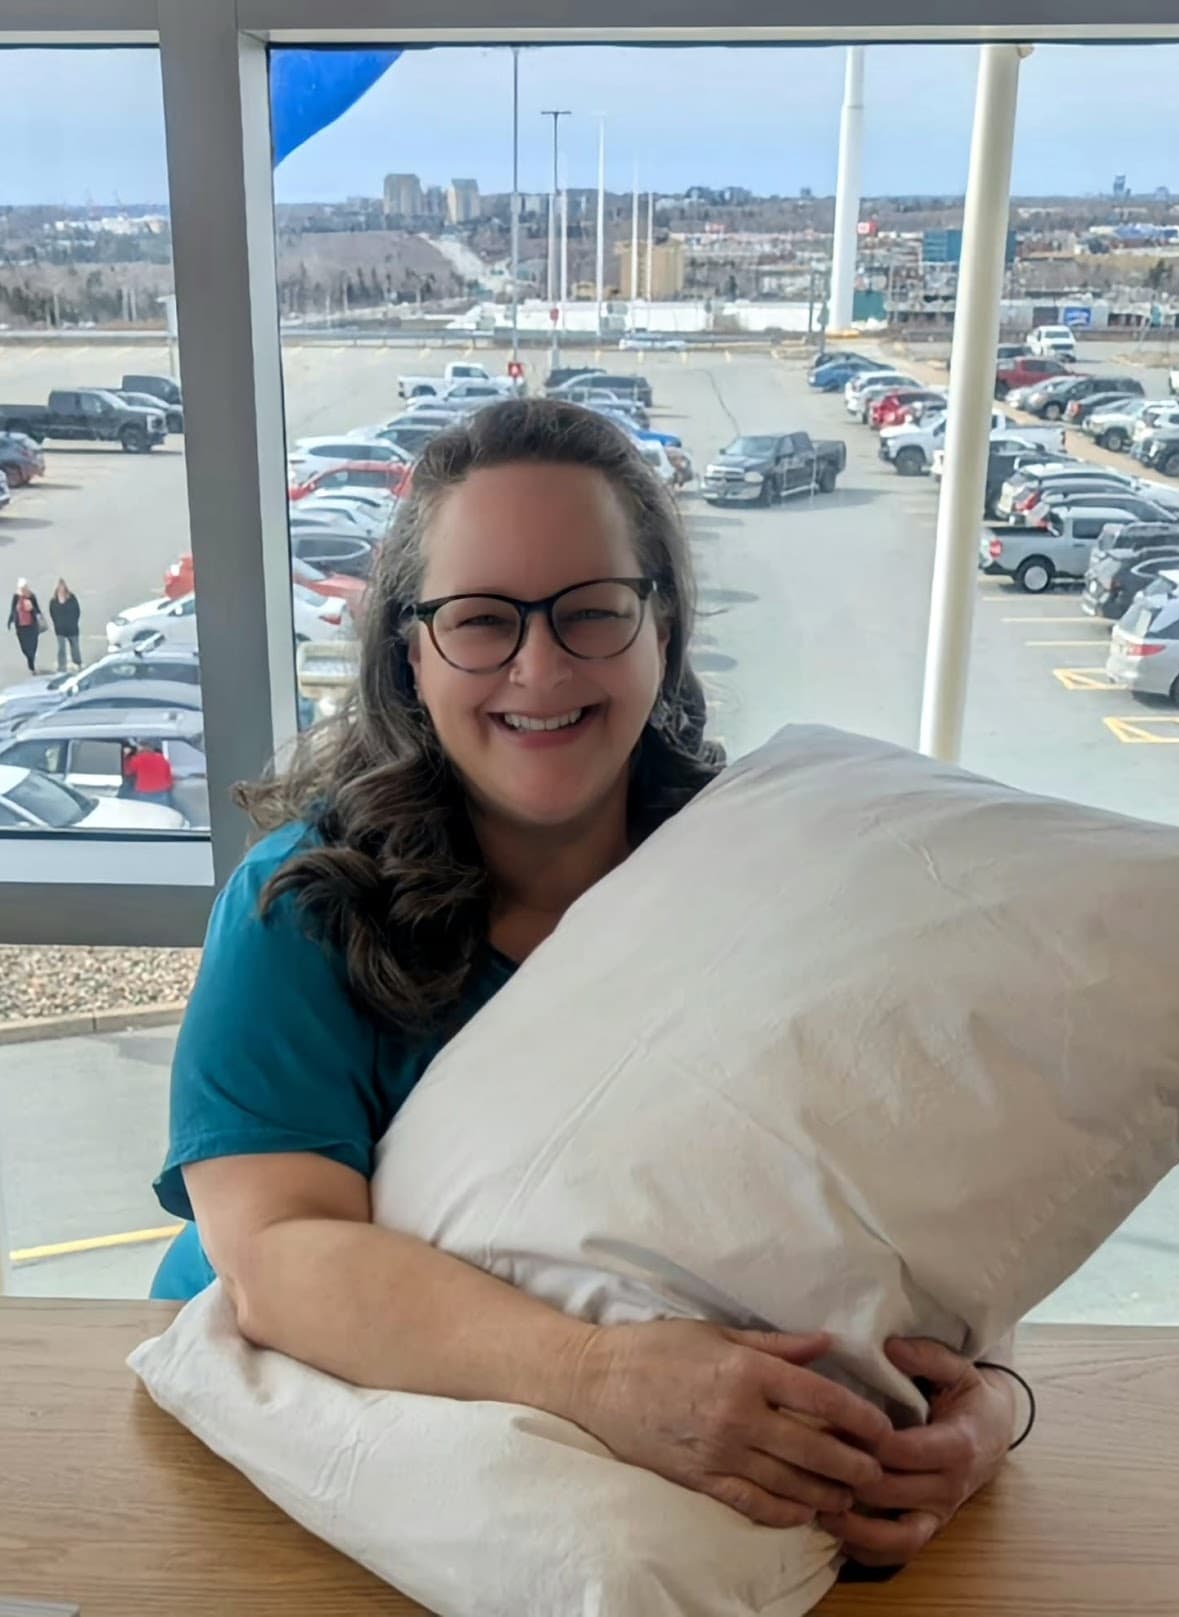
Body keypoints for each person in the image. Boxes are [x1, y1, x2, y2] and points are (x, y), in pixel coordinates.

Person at [149, 398, 1019, 1570]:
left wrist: (989, 1412)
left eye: (592, 611)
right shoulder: (299, 909)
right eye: (481, 620)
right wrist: (599, 1377)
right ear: (411, 651)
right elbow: (276, 1262)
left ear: (662, 627)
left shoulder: (776, 882)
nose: (540, 665)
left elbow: (910, 1219)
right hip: (300, 1470)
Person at [121, 740, 177, 810]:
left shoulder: (137, 759)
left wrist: (126, 757)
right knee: (162, 814)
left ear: (140, 748)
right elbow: (169, 776)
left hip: (144, 792)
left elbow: (128, 772)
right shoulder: (162, 758)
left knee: (146, 814)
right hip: (161, 792)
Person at [6, 578, 42, 675]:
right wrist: (9, 621)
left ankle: (32, 666)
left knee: (33, 646)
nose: (24, 590)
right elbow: (12, 610)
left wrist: (32, 608)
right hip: (21, 627)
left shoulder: (31, 596)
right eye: (22, 588)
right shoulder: (16, 597)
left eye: (25, 587)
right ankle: (30, 660)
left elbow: (38, 610)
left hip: (32, 626)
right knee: (25, 648)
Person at [49, 578, 82, 672]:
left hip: (72, 628)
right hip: (60, 629)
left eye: (63, 587)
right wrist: (56, 623)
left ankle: (77, 663)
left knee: (75, 647)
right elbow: (52, 613)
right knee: (61, 649)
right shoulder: (54, 601)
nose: (61, 589)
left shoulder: (71, 598)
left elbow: (77, 611)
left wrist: (74, 621)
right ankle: (62, 666)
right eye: (60, 588)